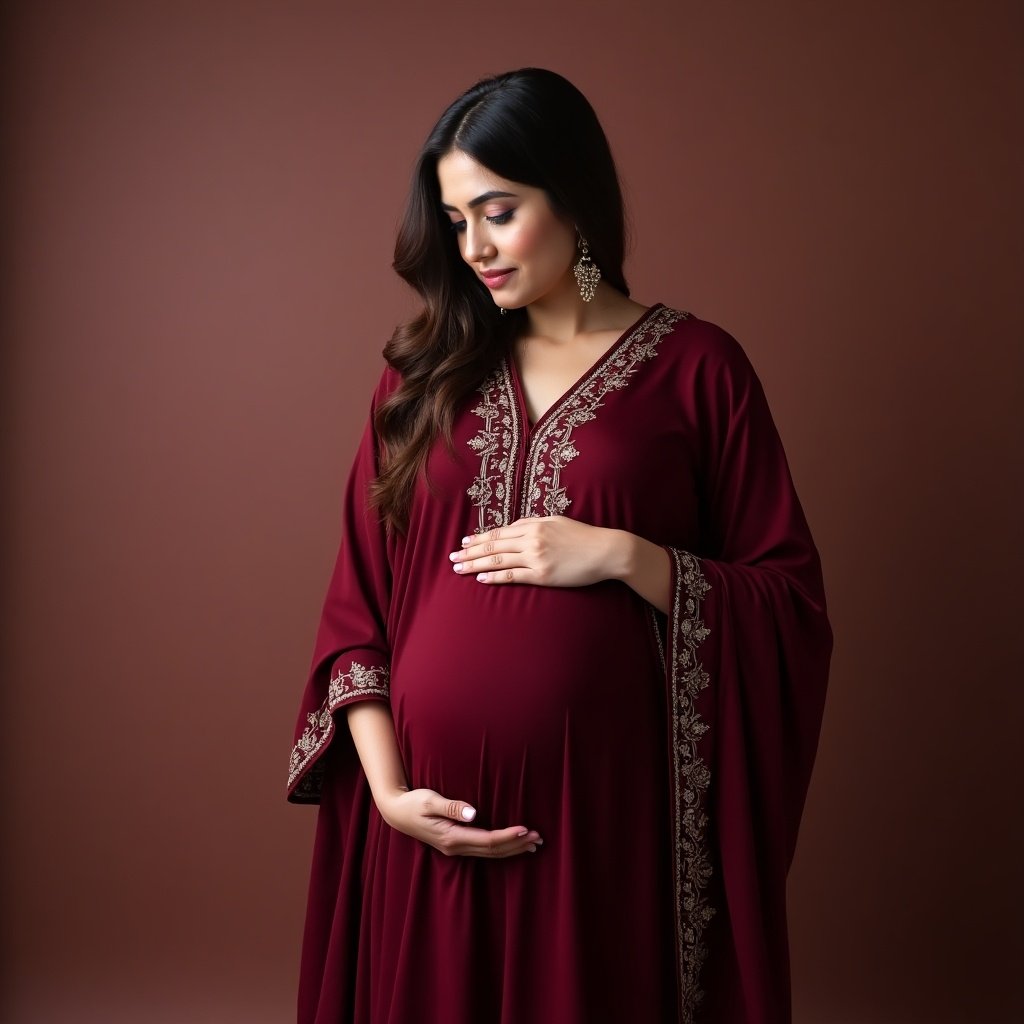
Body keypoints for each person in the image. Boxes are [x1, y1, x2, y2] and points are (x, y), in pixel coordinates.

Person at [287, 67, 833, 1024]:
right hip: (424, 828)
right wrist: (387, 794)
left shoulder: (699, 369)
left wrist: (629, 556)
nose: (476, 248)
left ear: (571, 197)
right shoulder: (419, 381)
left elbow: (789, 605)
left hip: (602, 831)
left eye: (497, 211)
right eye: (457, 222)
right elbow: (354, 610)